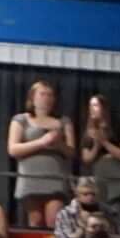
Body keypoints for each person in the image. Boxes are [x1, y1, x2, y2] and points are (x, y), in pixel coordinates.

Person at [6, 78, 76, 211]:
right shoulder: (21, 119)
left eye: (50, 95)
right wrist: (42, 142)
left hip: (56, 178)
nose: (47, 98)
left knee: (53, 218)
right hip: (30, 178)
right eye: (42, 94)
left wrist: (59, 144)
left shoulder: (64, 121)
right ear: (32, 98)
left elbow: (71, 152)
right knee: (36, 221)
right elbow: (13, 149)